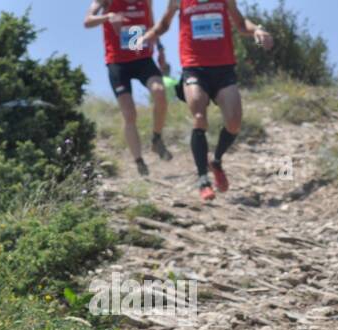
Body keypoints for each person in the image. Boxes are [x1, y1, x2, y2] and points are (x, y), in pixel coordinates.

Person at [137, 0, 273, 202]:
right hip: (194, 68)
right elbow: (164, 25)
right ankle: (203, 180)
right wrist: (146, 38)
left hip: (223, 68)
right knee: (199, 117)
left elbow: (242, 24)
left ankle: (216, 161)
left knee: (234, 123)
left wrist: (258, 31)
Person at [85, 0, 174, 177]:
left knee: (159, 92)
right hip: (118, 63)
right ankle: (139, 161)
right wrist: (107, 16)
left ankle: (156, 139)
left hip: (142, 58)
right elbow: (87, 21)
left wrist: (161, 48)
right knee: (130, 114)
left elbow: (152, 23)